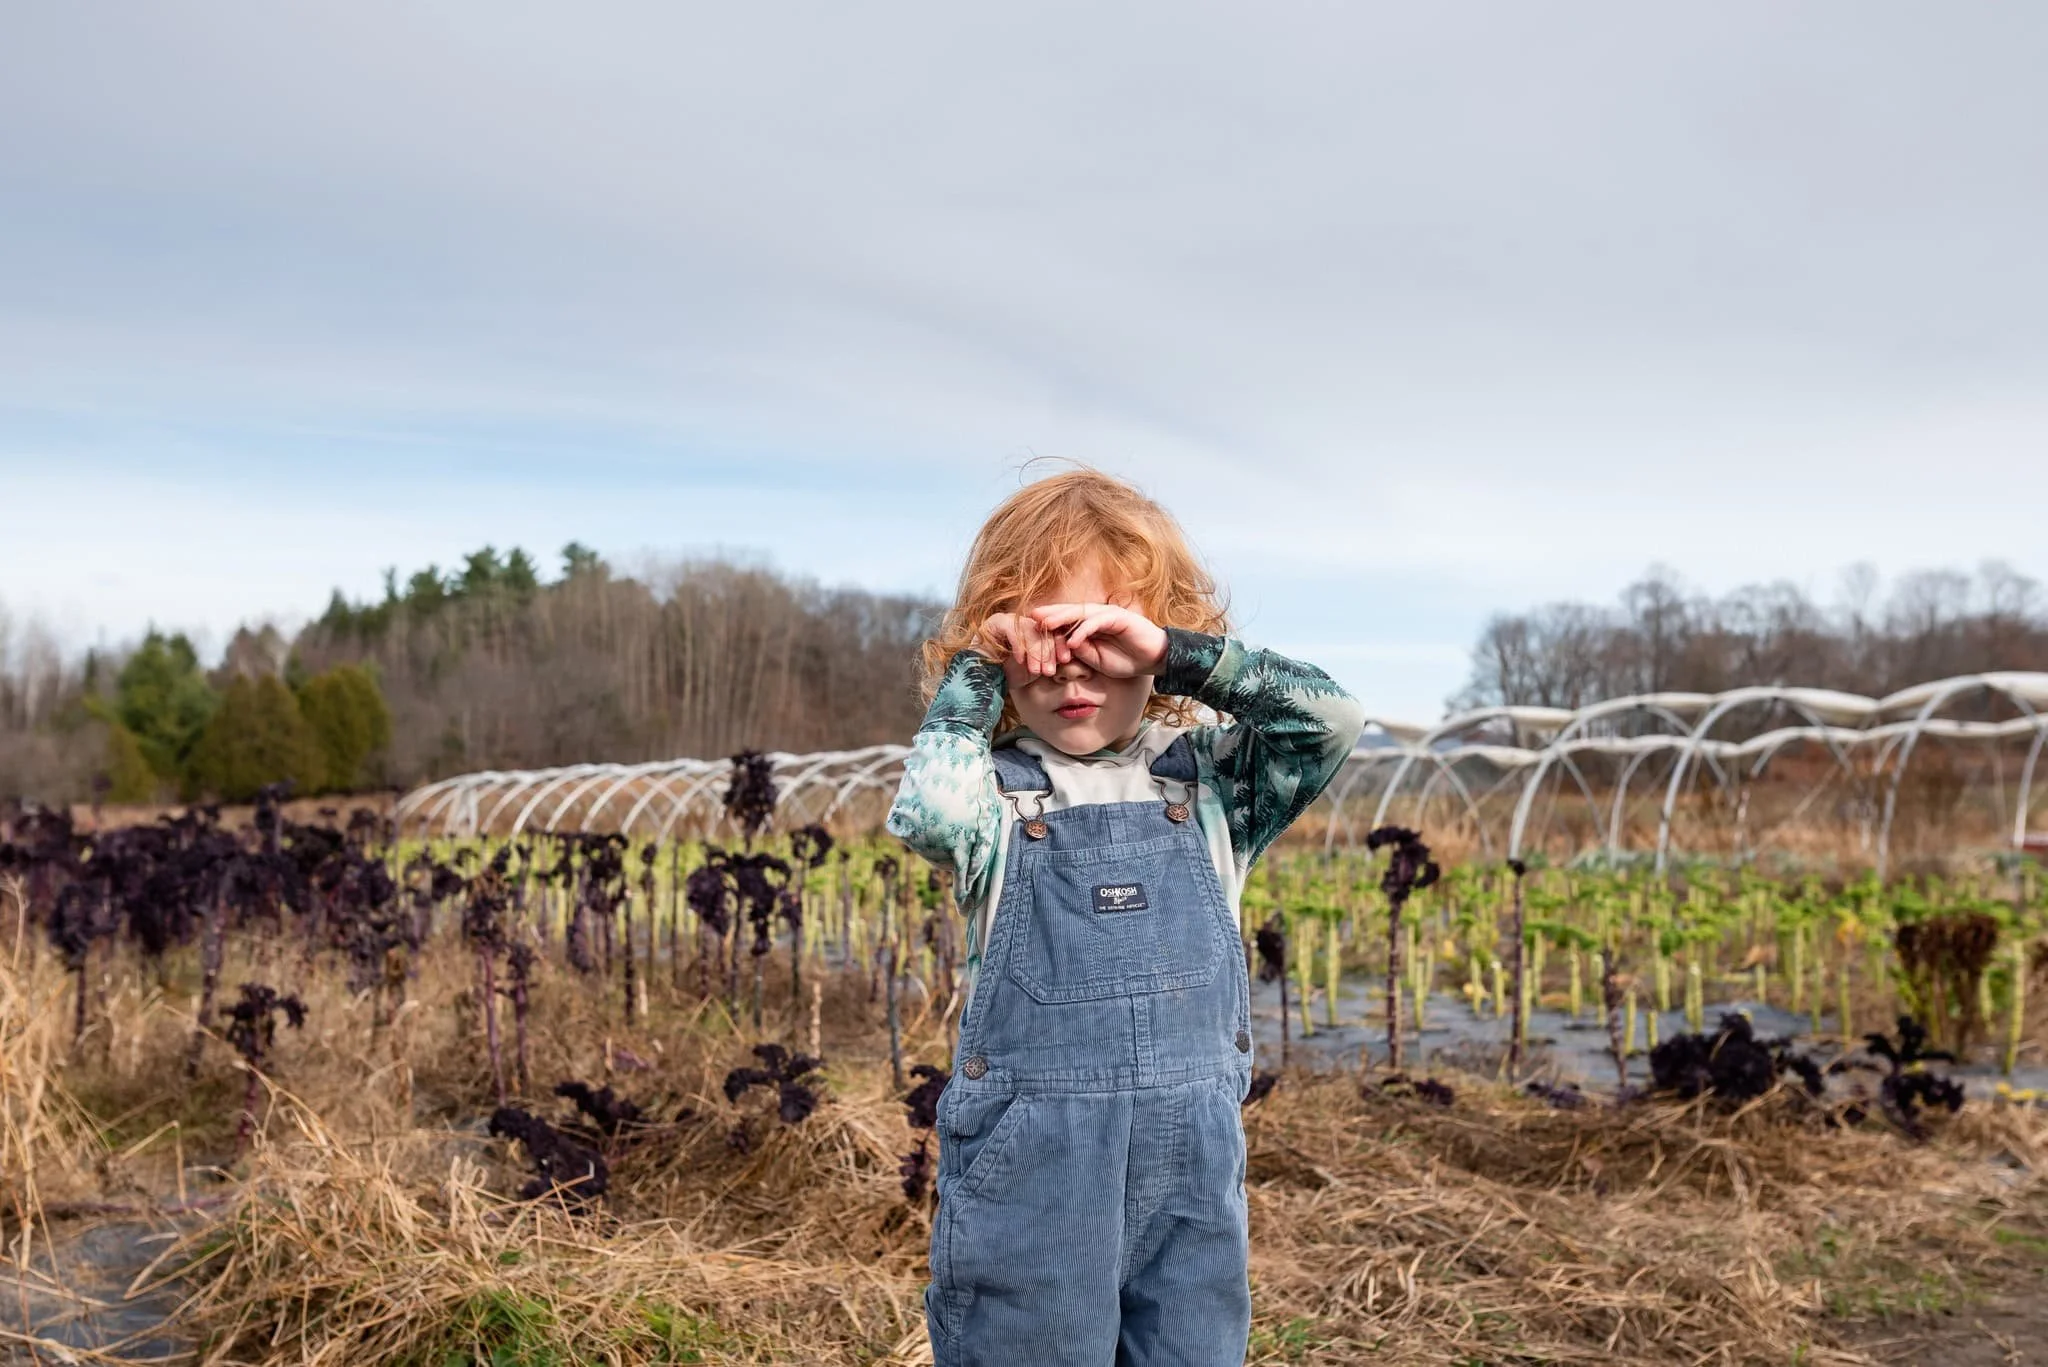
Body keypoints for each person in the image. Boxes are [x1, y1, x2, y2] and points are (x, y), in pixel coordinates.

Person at [888, 468, 1366, 1366]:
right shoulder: (993, 795)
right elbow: (928, 813)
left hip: (1189, 1170)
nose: (1073, 665)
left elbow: (1331, 719)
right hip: (1035, 1170)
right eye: (1045, 632)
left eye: (1099, 633)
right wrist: (980, 671)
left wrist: (1173, 653)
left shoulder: (1212, 784)